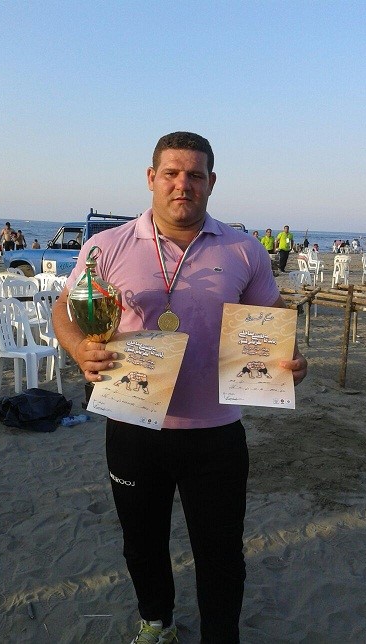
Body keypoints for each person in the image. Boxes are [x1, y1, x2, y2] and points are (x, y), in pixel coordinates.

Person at [53, 132, 307, 644]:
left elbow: (271, 314)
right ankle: (157, 622)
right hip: (132, 423)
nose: (182, 184)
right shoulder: (107, 245)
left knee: (221, 552)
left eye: (194, 175)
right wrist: (79, 348)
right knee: (141, 542)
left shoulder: (243, 248)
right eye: (171, 173)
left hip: (216, 432)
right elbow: (65, 306)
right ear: (151, 178)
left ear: (212, 182)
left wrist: (290, 359)